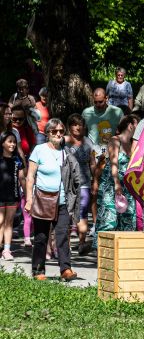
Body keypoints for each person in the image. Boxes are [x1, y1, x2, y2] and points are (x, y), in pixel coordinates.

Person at [24, 119, 81, 281]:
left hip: (62, 201)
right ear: (48, 133)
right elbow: (30, 177)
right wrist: (29, 199)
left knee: (62, 235)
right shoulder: (39, 150)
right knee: (41, 237)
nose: (58, 134)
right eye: (54, 131)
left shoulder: (66, 152)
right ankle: (38, 271)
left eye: (61, 131)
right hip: (42, 200)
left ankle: (65, 269)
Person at [93, 115, 138, 247]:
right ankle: (103, 251)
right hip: (111, 185)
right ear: (130, 125)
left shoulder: (132, 145)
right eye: (137, 125)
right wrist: (117, 182)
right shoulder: (115, 140)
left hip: (127, 188)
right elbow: (114, 164)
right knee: (108, 219)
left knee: (128, 220)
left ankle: (123, 252)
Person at [64, 114, 96, 255]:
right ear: (69, 127)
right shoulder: (64, 142)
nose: (78, 127)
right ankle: (66, 246)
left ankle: (82, 243)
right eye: (74, 124)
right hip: (66, 184)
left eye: (80, 124)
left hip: (84, 183)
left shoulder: (88, 142)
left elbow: (93, 163)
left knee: (82, 213)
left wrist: (95, 181)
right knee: (67, 215)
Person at [10, 105, 37, 247]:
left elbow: (32, 147)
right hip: (12, 163)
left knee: (25, 199)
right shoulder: (11, 131)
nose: (18, 121)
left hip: (25, 163)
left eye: (21, 119)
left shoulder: (27, 130)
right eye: (15, 118)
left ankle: (26, 231)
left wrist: (28, 168)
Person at [0, 132, 25, 260]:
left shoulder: (17, 160)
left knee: (9, 223)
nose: (13, 144)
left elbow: (22, 178)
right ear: (2, 143)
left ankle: (7, 250)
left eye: (14, 142)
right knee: (0, 221)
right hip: (0, 195)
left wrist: (27, 194)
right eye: (9, 141)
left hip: (13, 195)